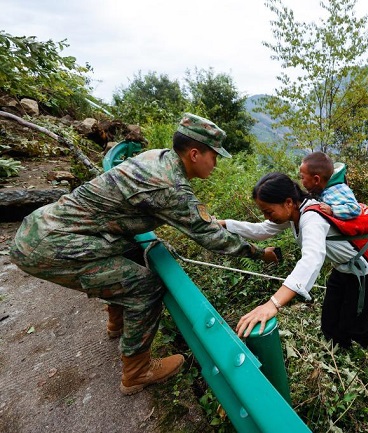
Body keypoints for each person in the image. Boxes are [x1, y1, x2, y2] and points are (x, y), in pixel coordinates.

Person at [9, 113, 276, 395]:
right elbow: (211, 236)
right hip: (52, 245)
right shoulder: (170, 187)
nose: (216, 163)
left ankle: (118, 323)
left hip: (46, 227)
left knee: (134, 251)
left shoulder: (158, 158)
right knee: (145, 288)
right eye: (215, 156)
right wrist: (259, 253)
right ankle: (137, 370)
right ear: (195, 154)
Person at [223, 172, 368, 351]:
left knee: (354, 326)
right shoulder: (295, 212)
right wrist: (225, 224)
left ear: (288, 202)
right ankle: (341, 352)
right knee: (329, 325)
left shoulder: (311, 218)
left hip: (363, 273)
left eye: (268, 211)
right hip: (341, 270)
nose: (267, 217)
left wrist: (273, 303)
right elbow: (262, 230)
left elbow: (312, 258)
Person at [298, 151, 368, 283]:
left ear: (316, 179)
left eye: (302, 177)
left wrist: (333, 210)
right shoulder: (325, 188)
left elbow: (354, 209)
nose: (301, 181)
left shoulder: (336, 190)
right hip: (355, 229)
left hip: (358, 226)